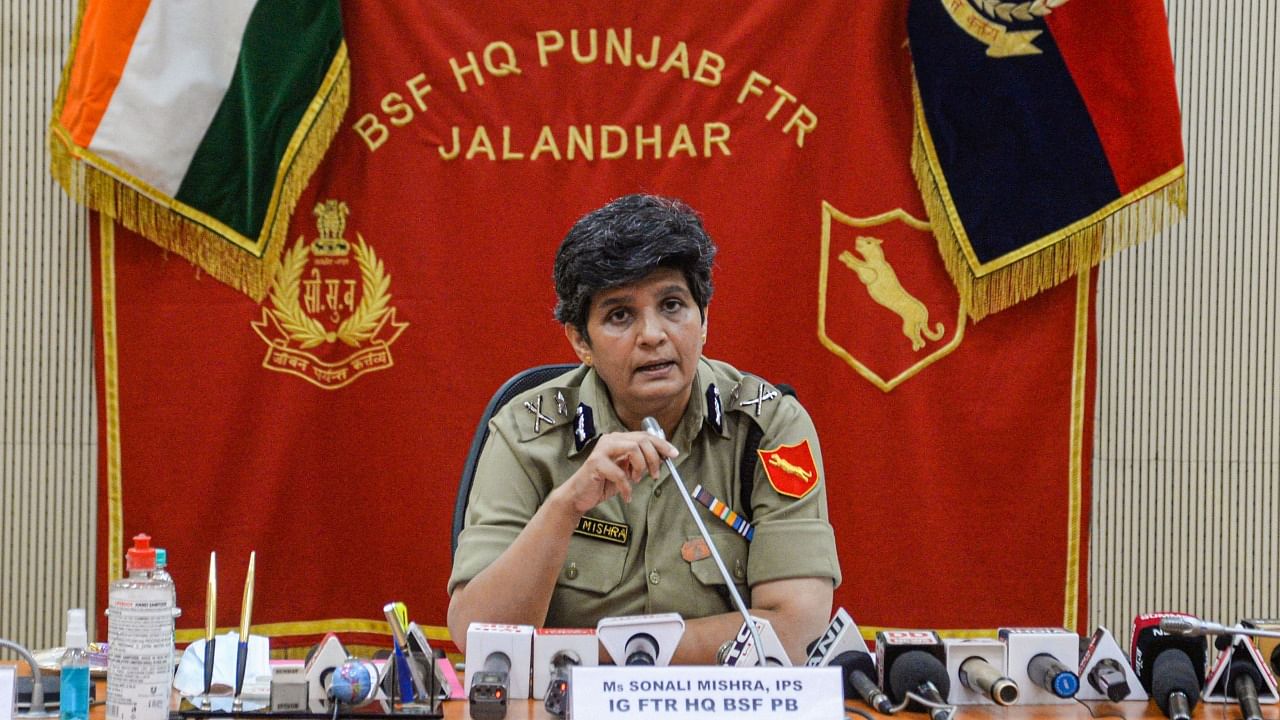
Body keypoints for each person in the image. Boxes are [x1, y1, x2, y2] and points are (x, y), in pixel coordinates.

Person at [447, 194, 840, 664]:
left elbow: (796, 625)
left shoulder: (768, 425)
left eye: (672, 305)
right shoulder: (525, 433)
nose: (652, 334)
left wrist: (599, 660)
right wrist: (566, 505)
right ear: (580, 340)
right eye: (620, 315)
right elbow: (479, 632)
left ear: (705, 319)